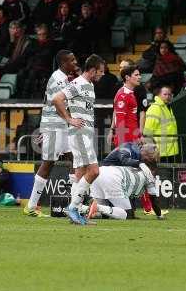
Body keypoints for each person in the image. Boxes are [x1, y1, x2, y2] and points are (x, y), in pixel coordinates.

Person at [24, 50, 78, 217]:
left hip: (61, 126)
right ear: (64, 63)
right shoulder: (58, 79)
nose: (75, 63)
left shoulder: (63, 78)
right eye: (72, 60)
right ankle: (31, 206)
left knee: (75, 158)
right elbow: (59, 103)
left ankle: (74, 203)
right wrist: (70, 119)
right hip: (54, 127)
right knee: (48, 163)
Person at [52, 54, 105, 225]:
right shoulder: (78, 83)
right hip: (80, 134)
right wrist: (69, 119)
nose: (102, 74)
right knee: (94, 171)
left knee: (80, 172)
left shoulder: (89, 85)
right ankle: (73, 208)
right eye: (101, 71)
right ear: (92, 70)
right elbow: (57, 98)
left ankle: (75, 213)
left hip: (85, 134)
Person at [87, 163, 165, 220]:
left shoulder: (140, 164)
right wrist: (159, 215)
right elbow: (154, 199)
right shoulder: (149, 176)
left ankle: (81, 209)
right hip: (113, 178)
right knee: (128, 214)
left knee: (103, 215)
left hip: (99, 172)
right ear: (153, 170)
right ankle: (98, 207)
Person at [143, 86, 179, 163]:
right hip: (160, 152)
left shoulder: (167, 107)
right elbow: (147, 132)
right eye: (165, 94)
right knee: (164, 173)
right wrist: (152, 151)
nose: (168, 96)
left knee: (169, 173)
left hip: (170, 151)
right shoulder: (155, 108)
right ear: (158, 95)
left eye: (169, 94)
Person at [110, 65, 142, 147]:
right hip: (125, 141)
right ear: (127, 77)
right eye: (136, 75)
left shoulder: (130, 94)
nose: (140, 77)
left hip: (131, 139)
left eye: (139, 75)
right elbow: (120, 121)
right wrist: (122, 145)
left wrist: (137, 136)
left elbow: (132, 119)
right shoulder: (123, 95)